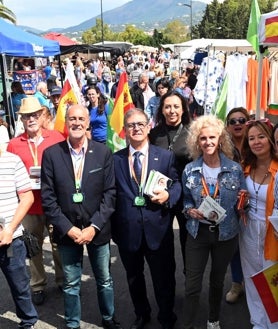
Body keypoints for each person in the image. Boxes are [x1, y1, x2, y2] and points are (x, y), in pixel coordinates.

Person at [41, 104, 122, 329]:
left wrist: (93, 226)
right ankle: (73, 323)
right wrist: (69, 228)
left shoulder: (103, 152)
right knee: (71, 283)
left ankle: (108, 318)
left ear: (88, 123)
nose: (76, 122)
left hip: (97, 229)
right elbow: (48, 199)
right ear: (66, 122)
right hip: (67, 230)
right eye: (72, 119)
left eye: (81, 119)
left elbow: (110, 194)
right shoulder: (51, 154)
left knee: (104, 280)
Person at [112, 108, 182, 329]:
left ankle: (166, 316)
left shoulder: (165, 156)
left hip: (158, 230)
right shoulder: (115, 160)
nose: (136, 128)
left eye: (141, 124)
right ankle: (141, 314)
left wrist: (169, 195)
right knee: (134, 279)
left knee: (164, 279)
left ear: (149, 126)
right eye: (131, 125)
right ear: (124, 130)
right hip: (128, 232)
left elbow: (177, 184)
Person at [182, 115, 247, 329]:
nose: (208, 142)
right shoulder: (190, 170)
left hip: (225, 234)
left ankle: (213, 319)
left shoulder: (235, 169)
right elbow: (186, 200)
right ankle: (188, 323)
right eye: (203, 138)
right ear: (196, 142)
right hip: (197, 234)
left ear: (220, 140)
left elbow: (243, 200)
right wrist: (190, 210)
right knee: (192, 285)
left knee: (217, 282)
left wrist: (242, 205)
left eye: (212, 137)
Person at [7, 97, 65, 305]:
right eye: (26, 116)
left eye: (34, 115)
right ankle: (38, 284)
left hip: (54, 204)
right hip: (28, 206)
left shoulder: (56, 138)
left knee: (59, 245)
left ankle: (62, 279)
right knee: (33, 247)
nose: (31, 119)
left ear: (41, 116)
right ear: (21, 120)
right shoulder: (14, 145)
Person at [240, 118, 278, 329]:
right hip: (247, 230)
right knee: (252, 277)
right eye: (251, 138)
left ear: (271, 139)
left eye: (261, 137)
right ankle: (258, 322)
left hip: (272, 232)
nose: (256, 142)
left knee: (272, 280)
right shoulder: (245, 167)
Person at [149, 90, 191, 271]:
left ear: (183, 110)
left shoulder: (192, 132)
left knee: (188, 242)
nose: (172, 110)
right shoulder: (153, 134)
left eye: (176, 106)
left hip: (186, 195)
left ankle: (190, 279)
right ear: (162, 110)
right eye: (168, 107)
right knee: (164, 242)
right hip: (161, 194)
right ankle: (167, 284)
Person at [0, 149, 38, 329]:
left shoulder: (13, 161)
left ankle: (28, 321)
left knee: (20, 286)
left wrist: (9, 229)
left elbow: (27, 197)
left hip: (11, 240)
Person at [225, 107, 250, 304]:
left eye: (242, 120)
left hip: (256, 203)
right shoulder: (223, 147)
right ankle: (236, 283)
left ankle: (254, 283)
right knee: (234, 247)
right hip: (232, 205)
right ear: (228, 126)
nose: (238, 124)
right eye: (233, 121)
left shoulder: (255, 144)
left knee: (254, 246)